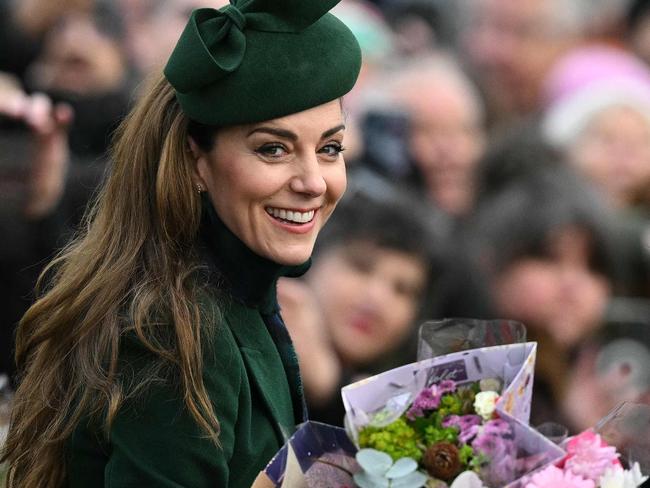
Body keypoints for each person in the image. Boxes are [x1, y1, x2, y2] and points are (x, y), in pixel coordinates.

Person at [1, 1, 361, 486]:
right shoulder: (176, 334)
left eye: (329, 149)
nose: (314, 182)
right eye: (272, 149)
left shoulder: (230, 296)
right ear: (196, 162)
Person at [278, 181, 445, 426]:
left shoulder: (411, 414)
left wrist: (331, 386)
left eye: (403, 289)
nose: (376, 299)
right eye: (360, 267)